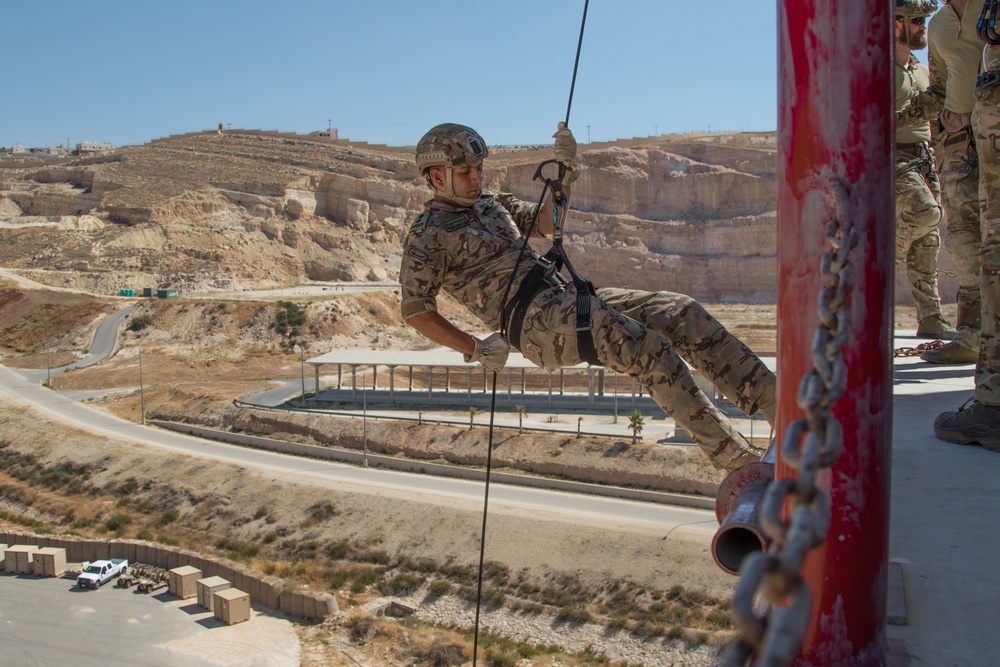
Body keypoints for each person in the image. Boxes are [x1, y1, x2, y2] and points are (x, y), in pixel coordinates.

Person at [398, 123, 776, 471]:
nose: (477, 178)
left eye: (478, 168)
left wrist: (564, 175)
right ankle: (738, 461)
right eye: (465, 173)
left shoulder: (494, 204)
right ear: (436, 176)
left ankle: (776, 402)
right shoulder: (427, 234)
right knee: (646, 348)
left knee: (677, 311)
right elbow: (416, 310)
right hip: (535, 325)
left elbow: (548, 223)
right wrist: (474, 348)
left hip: (562, 295)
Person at [902, 0, 983, 364]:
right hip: (933, 148)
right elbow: (938, 92)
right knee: (950, 229)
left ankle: (951, 325)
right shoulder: (938, 27)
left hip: (967, 138)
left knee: (949, 239)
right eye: (913, 19)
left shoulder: (990, 9)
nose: (919, 23)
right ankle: (972, 336)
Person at [934, 5, 1000, 449]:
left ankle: (993, 403)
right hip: (967, 129)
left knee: (994, 250)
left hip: (988, 114)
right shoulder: (942, 23)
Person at [894, 0, 959, 341]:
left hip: (924, 157)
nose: (923, 26)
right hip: (892, 156)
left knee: (928, 240)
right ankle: (879, 263)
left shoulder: (919, 68)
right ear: (896, 24)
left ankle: (930, 316)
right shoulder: (878, 69)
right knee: (925, 213)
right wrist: (921, 110)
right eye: (917, 20)